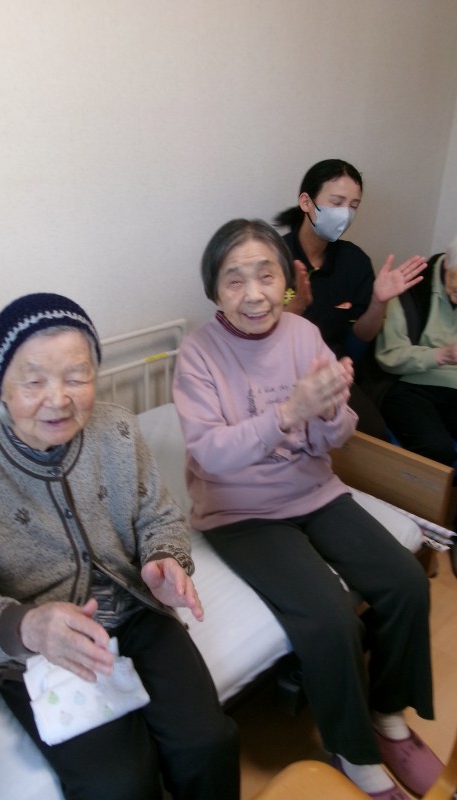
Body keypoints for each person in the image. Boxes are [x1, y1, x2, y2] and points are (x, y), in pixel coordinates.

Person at [0, 293, 239, 800]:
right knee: (118, 783)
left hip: (136, 610)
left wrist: (164, 559)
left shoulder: (118, 430)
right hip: (40, 646)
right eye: (33, 381)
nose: (58, 399)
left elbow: (157, 515)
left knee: (207, 742)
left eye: (76, 376)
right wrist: (26, 626)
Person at [173, 219, 442, 800]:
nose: (254, 294)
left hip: (314, 490)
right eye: (234, 280)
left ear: (286, 283)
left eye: (266, 275)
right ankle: (353, 750)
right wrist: (289, 412)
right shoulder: (197, 355)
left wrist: (330, 409)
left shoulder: (302, 334)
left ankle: (387, 716)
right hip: (240, 511)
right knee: (330, 617)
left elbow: (336, 437)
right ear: (215, 290)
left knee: (405, 583)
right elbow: (211, 454)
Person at [273, 158, 427, 440]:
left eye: (353, 205)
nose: (345, 213)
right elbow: (255, 336)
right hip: (278, 374)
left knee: (374, 438)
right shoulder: (274, 256)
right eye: (336, 202)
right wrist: (294, 309)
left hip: (333, 372)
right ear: (306, 202)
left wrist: (379, 302)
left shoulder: (354, 262)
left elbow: (361, 336)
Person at [375, 235, 457, 573]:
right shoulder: (412, 286)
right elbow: (389, 357)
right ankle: (425, 536)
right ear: (447, 267)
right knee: (436, 446)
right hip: (410, 382)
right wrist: (441, 355)